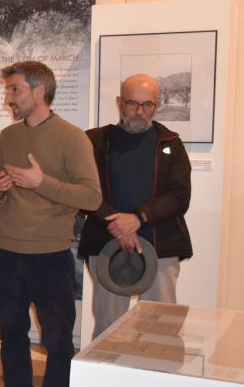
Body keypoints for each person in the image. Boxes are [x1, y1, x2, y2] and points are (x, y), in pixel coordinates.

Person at [0, 61, 101, 387]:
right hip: (6, 256)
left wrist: (41, 182)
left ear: (39, 91)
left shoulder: (72, 138)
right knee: (12, 338)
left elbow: (92, 198)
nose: (8, 98)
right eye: (8, 90)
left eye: (14, 89)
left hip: (50, 258)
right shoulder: (8, 136)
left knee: (59, 344)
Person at [79, 74, 192, 339]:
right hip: (107, 246)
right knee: (109, 328)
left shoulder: (171, 143)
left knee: (162, 328)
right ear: (120, 102)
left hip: (160, 246)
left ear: (158, 104)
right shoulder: (94, 141)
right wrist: (118, 225)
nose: (140, 112)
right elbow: (84, 192)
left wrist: (139, 218)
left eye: (148, 104)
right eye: (132, 103)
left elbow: (179, 195)